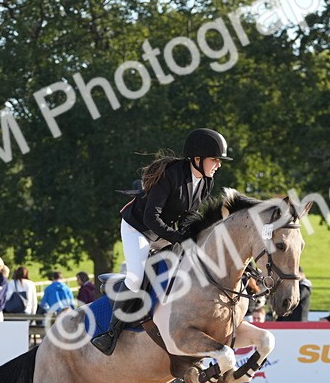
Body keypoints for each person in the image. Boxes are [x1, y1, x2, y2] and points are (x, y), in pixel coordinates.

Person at [92, 127, 231, 355]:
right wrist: (178, 238)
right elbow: (150, 217)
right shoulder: (171, 175)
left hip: (163, 232)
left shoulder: (206, 182)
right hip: (139, 228)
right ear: (197, 159)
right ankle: (109, 333)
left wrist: (195, 236)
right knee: (136, 278)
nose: (219, 164)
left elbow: (188, 215)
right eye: (215, 159)